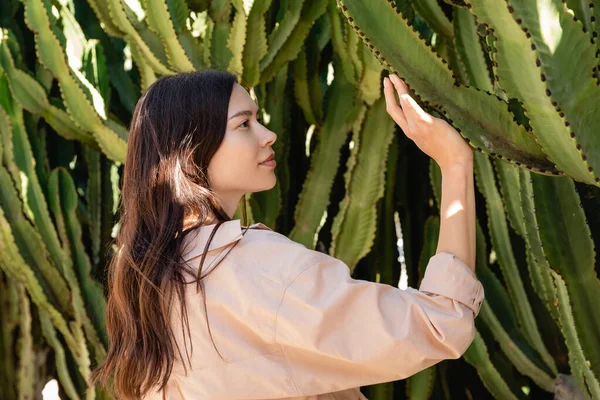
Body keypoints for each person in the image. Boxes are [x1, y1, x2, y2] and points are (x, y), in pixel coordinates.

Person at [89, 69, 484, 399]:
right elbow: (441, 322)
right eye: (244, 124)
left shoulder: (147, 281)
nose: (268, 134)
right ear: (191, 152)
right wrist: (455, 163)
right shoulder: (255, 267)